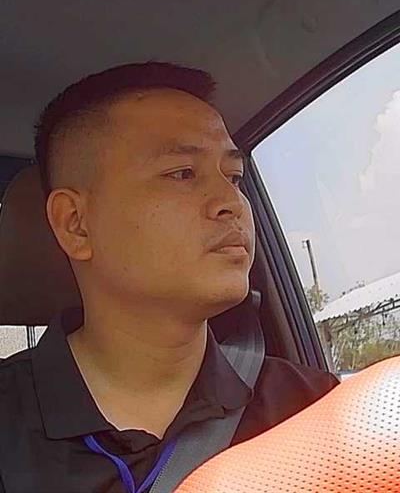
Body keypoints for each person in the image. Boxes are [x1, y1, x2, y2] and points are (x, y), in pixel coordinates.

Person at [0, 62, 338, 492]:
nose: (231, 201)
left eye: (234, 177)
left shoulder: (314, 412)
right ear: (76, 224)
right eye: (182, 173)